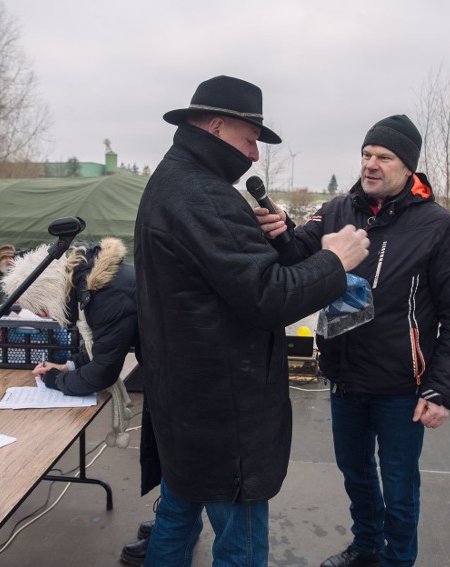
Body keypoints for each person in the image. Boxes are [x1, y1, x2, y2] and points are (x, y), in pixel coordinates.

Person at [134, 75, 370, 566]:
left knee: (176, 518)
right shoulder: (204, 196)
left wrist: (270, 241)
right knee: (239, 542)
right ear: (217, 126)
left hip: (185, 404)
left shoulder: (174, 181)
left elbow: (217, 280)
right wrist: (335, 261)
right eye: (250, 141)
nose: (255, 156)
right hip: (224, 416)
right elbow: (268, 296)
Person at [256, 114, 450, 567]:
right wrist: (282, 233)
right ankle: (366, 548)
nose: (371, 165)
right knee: (355, 473)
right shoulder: (337, 209)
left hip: (402, 386)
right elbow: (300, 255)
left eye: (384, 157)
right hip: (345, 375)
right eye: (366, 154)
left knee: (398, 486)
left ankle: (398, 559)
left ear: (408, 167)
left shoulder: (438, 225)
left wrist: (441, 389)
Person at [0, 238, 158, 565]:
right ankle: (174, 522)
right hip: (178, 366)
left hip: (182, 373)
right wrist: (68, 366)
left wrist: (54, 380)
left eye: (44, 310)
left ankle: (172, 535)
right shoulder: (93, 287)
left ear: (50, 295)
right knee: (177, 461)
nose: (51, 319)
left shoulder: (104, 298)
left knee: (176, 458)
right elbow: (96, 345)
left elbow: (101, 372)